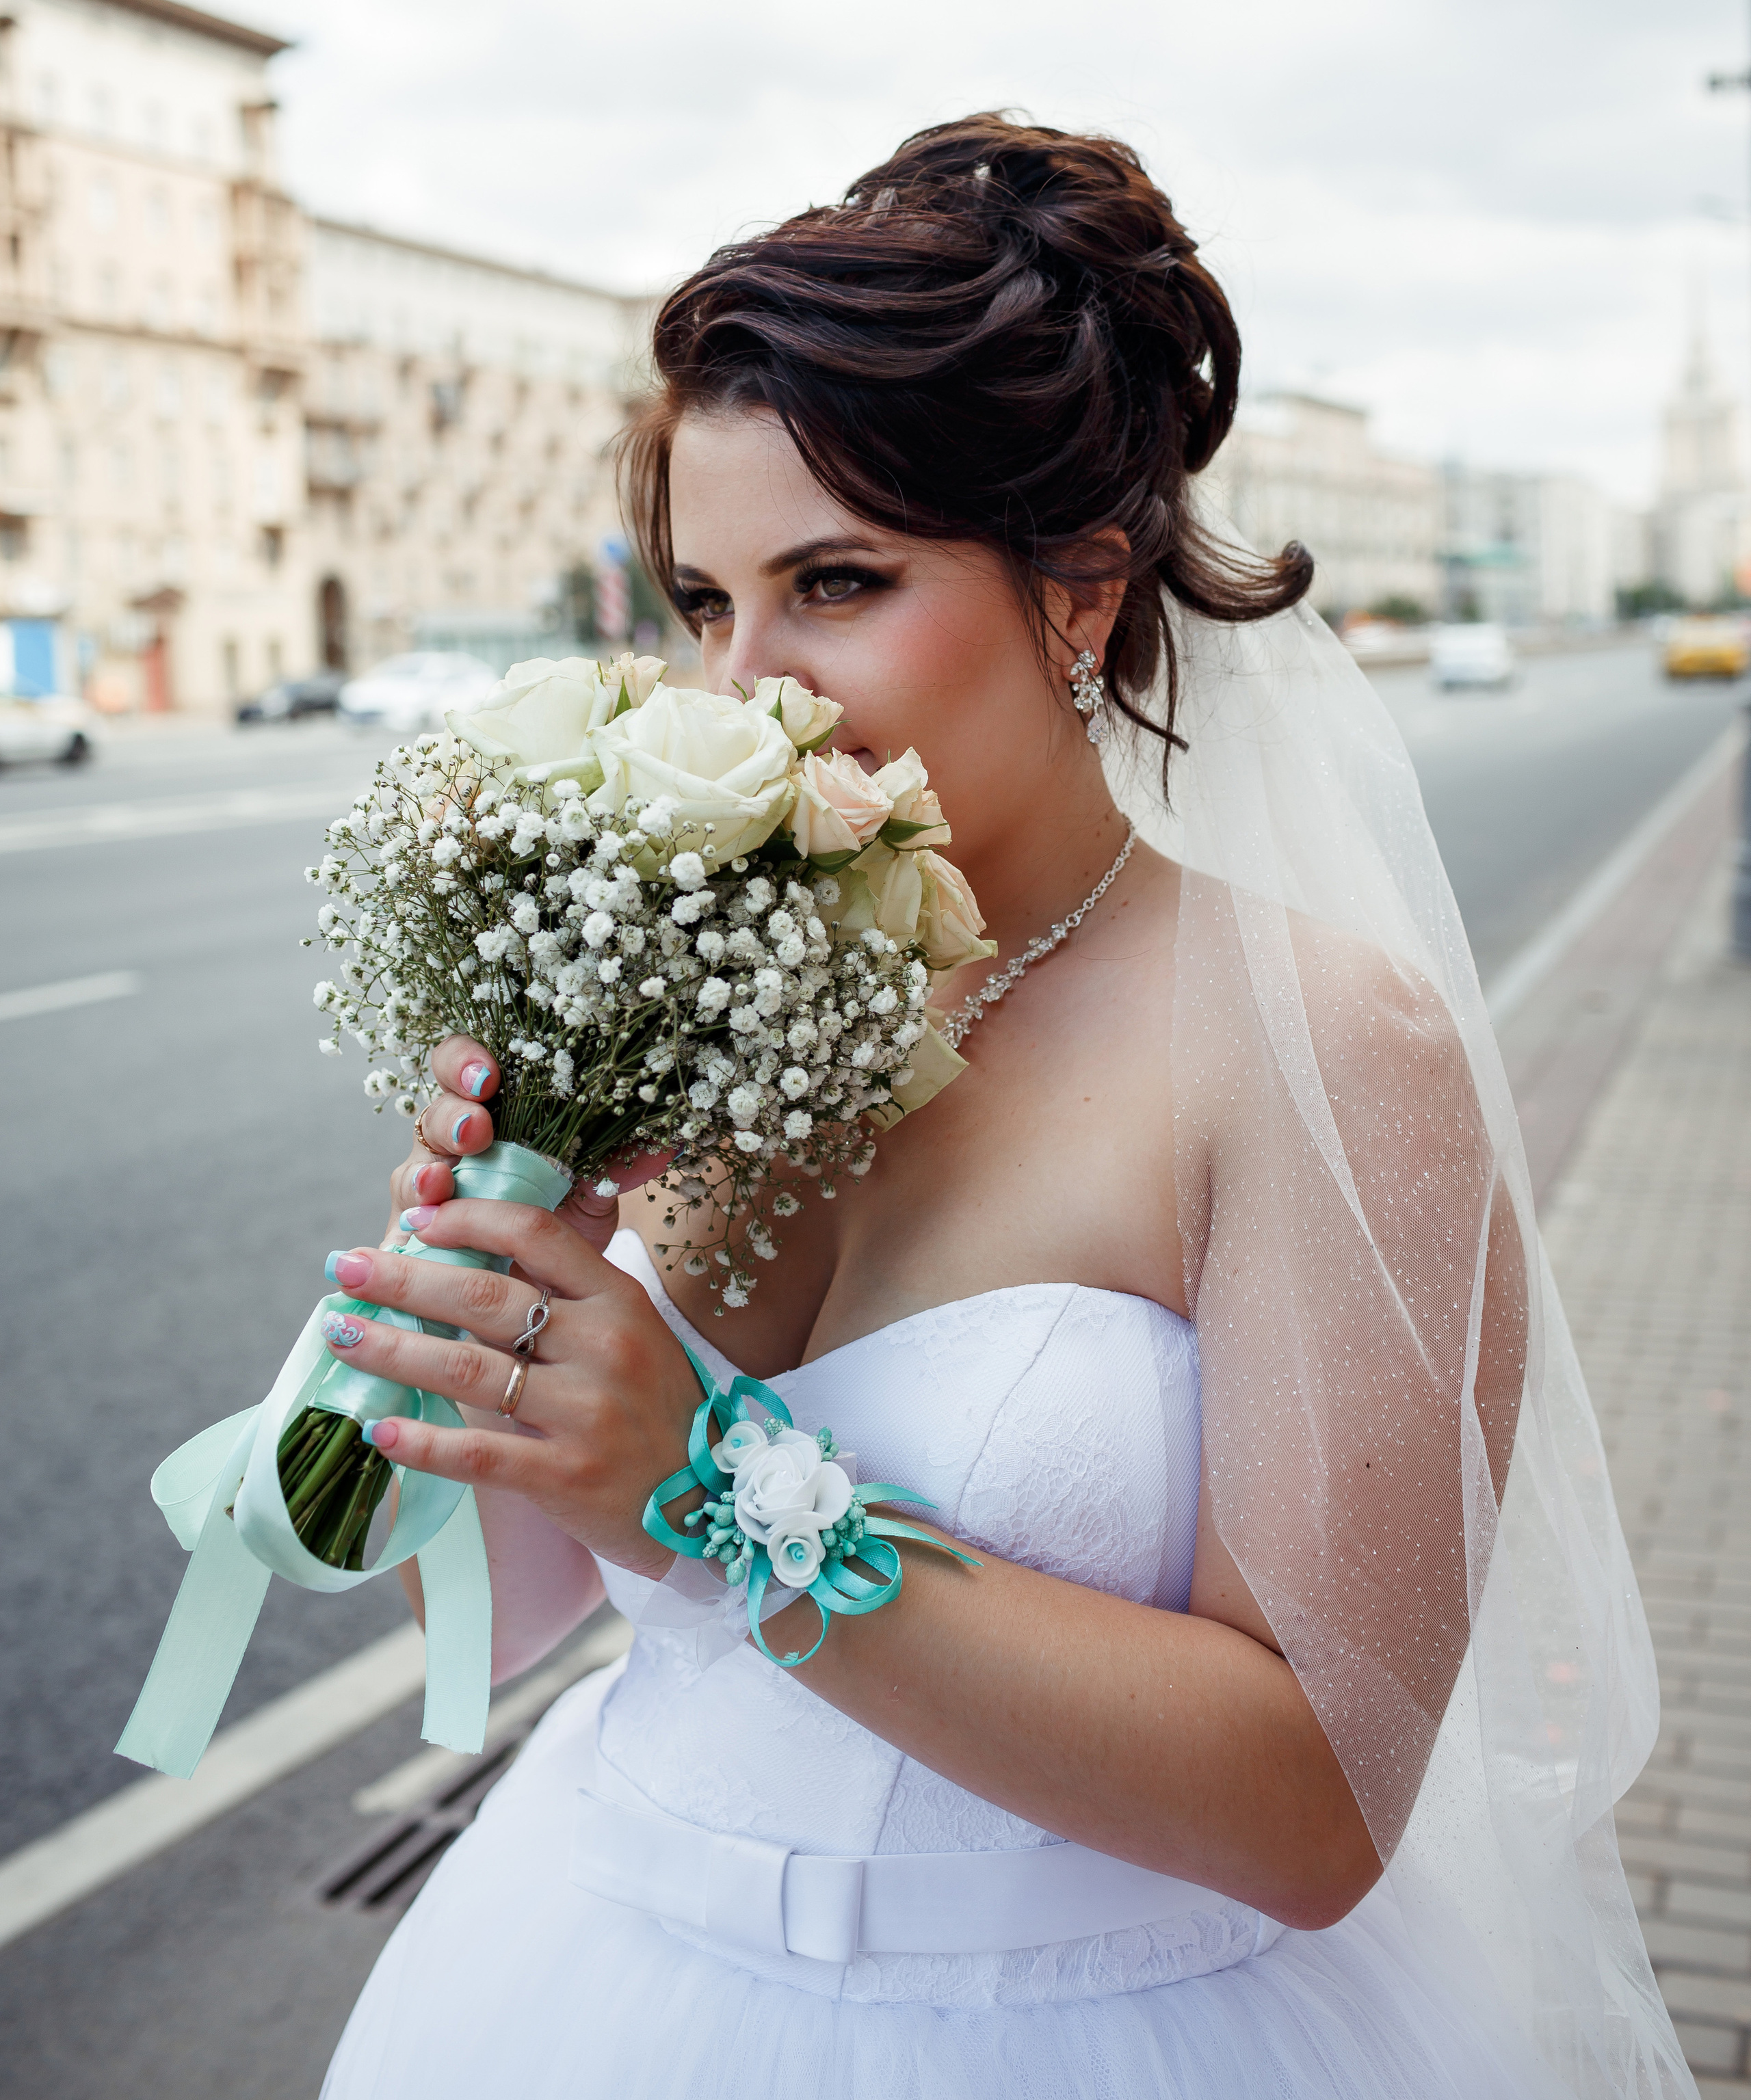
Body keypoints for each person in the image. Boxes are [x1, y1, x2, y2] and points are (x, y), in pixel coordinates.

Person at [319, 116, 1688, 2099]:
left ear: (1079, 591)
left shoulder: (1317, 1041)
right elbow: (520, 1611)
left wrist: (711, 1487)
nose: (745, 689)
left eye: (838, 582)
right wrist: (488, 1308)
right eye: (703, 603)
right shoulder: (716, 999)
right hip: (592, 1964)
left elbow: (1318, 1807)